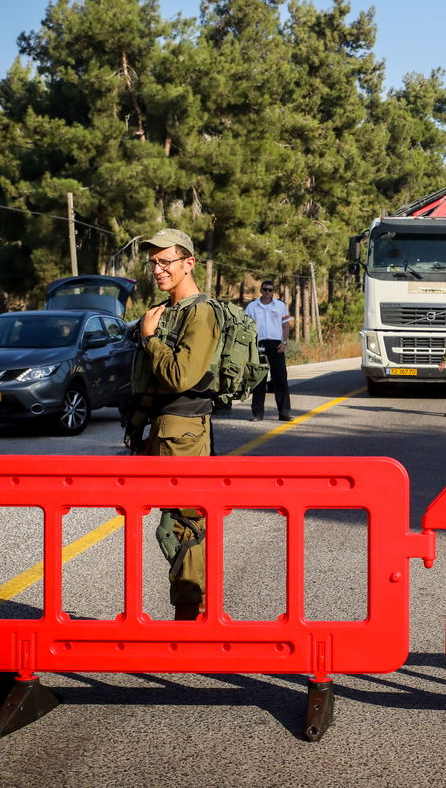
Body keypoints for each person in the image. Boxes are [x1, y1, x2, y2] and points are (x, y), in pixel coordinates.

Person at [128, 228, 221, 621]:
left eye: (165, 261)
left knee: (181, 524)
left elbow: (181, 375)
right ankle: (191, 606)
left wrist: (150, 338)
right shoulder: (169, 310)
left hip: (183, 431)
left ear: (189, 263)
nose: (157, 269)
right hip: (164, 428)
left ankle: (191, 610)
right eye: (153, 262)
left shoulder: (201, 312)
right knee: (174, 521)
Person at [244, 279, 292, 422]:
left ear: (273, 291)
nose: (267, 292)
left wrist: (284, 343)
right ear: (261, 290)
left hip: (277, 346)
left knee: (281, 380)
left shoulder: (280, 306)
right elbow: (246, 327)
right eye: (265, 289)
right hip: (258, 345)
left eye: (270, 290)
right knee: (259, 380)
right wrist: (250, 346)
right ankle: (257, 414)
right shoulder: (252, 307)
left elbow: (286, 325)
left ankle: (284, 413)